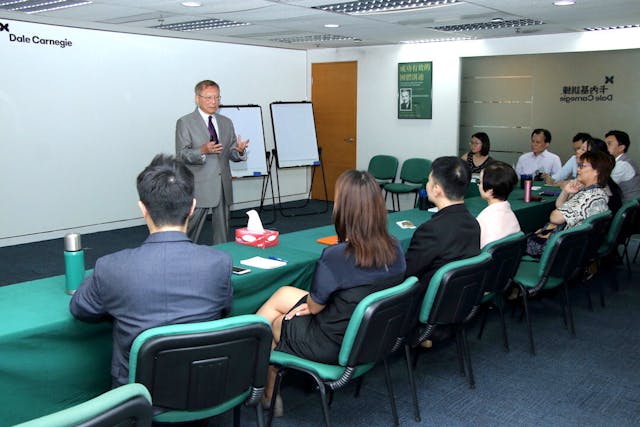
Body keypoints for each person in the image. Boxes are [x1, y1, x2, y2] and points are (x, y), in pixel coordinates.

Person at [70, 154, 233, 387]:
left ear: (142, 208)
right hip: (202, 388)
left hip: (138, 396)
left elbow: (80, 308)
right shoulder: (220, 262)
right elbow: (226, 307)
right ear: (193, 207)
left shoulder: (112, 267)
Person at [256, 170, 406, 416]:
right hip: (370, 335)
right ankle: (262, 378)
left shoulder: (337, 256)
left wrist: (311, 305)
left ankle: (263, 387)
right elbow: (321, 301)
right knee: (283, 294)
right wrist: (311, 303)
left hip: (333, 343)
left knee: (276, 322)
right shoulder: (395, 247)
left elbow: (315, 306)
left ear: (345, 208)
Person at [175, 79, 249, 245]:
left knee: (222, 231)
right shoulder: (185, 122)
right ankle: (180, 256)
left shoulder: (226, 122)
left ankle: (220, 258)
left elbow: (230, 152)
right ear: (197, 98)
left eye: (217, 97)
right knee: (190, 230)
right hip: (199, 184)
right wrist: (202, 150)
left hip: (223, 184)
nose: (214, 102)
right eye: (208, 98)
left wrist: (240, 151)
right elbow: (181, 154)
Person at [405, 156, 481, 286]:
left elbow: (407, 273)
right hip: (459, 299)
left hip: (426, 301)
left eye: (429, 181)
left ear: (436, 189)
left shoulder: (430, 231)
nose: (427, 185)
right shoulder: (474, 223)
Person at [526, 150, 612, 257]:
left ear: (597, 171)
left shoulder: (588, 197)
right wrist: (566, 191)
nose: (578, 169)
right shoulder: (598, 192)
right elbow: (561, 207)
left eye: (582, 166)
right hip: (575, 245)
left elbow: (555, 218)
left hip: (561, 249)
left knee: (517, 241)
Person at [476, 161, 521, 248]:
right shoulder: (510, 214)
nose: (479, 186)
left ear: (490, 191)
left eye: (480, 182)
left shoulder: (484, 220)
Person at [605, 130, 640, 203]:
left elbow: (605, 186)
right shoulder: (615, 161)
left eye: (609, 144)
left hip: (629, 208)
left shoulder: (622, 165)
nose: (605, 148)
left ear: (621, 148)